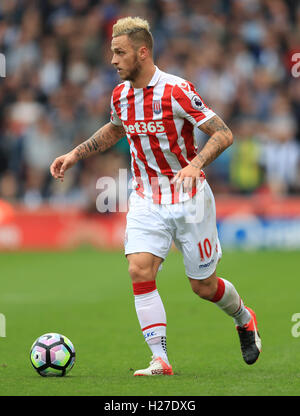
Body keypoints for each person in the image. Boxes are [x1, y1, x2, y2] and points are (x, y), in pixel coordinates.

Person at [50, 16, 261, 376]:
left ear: (142, 52)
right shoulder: (120, 95)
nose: (113, 60)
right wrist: (75, 154)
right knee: (139, 269)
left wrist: (195, 164)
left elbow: (223, 133)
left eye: (120, 52)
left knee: (203, 286)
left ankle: (244, 317)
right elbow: (117, 128)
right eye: (112, 53)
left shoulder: (176, 90)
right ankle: (159, 359)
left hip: (189, 197)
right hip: (146, 196)